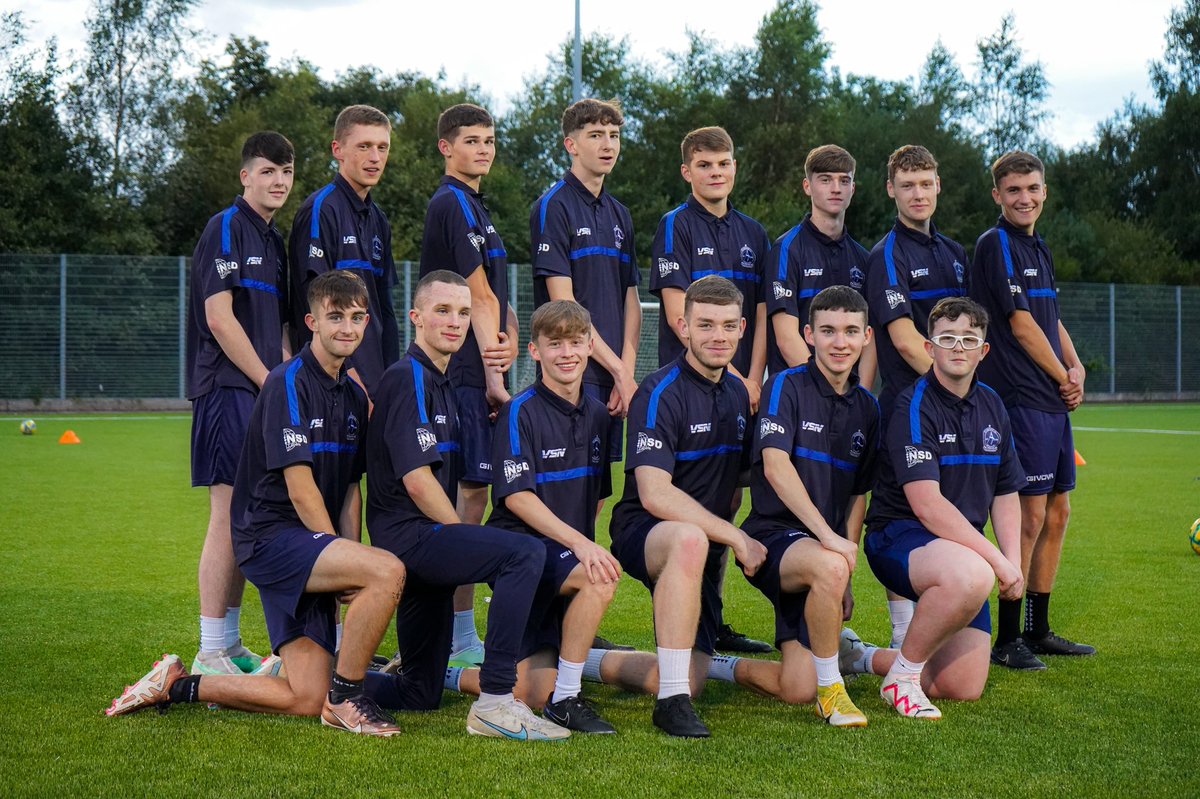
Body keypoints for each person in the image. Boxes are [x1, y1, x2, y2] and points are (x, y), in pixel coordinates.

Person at [108, 271, 408, 737]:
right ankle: (348, 698)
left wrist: (347, 558)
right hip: (270, 538)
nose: (346, 328)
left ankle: (179, 685)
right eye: (334, 317)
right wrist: (339, 562)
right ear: (312, 321)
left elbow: (351, 489)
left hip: (312, 544)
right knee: (388, 570)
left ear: (366, 322)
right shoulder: (286, 382)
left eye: (355, 318)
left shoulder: (353, 395)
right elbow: (299, 487)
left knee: (306, 697)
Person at [361, 270, 568, 741]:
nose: (454, 322)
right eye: (442, 311)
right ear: (416, 318)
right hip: (412, 539)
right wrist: (461, 538)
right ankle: (496, 701)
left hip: (427, 545)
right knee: (525, 552)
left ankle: (303, 675)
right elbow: (416, 482)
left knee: (419, 692)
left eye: (462, 312)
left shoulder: (443, 384)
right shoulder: (409, 377)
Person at [587, 276, 768, 738]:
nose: (717, 336)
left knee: (694, 677)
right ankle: (670, 705)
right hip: (646, 531)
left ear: (743, 328)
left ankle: (585, 658)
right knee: (690, 538)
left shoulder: (739, 395)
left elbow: (743, 476)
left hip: (702, 547)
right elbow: (654, 493)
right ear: (683, 327)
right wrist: (736, 537)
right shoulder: (658, 390)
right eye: (705, 325)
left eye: (728, 326)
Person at [841, 297, 1025, 720]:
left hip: (960, 553)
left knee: (959, 686)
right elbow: (927, 505)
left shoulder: (994, 405)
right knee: (972, 572)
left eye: (968, 339)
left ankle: (861, 658)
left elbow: (1006, 492)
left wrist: (1013, 561)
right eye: (947, 338)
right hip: (900, 539)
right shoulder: (911, 405)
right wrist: (996, 560)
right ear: (929, 348)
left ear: (984, 350)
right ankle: (901, 680)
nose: (958, 347)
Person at [445, 300, 622, 734]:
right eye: (554, 344)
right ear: (536, 351)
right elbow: (518, 499)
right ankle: (565, 699)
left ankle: (572, 670)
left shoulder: (600, 415)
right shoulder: (518, 411)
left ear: (590, 346)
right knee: (600, 576)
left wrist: (579, 545)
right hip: (521, 552)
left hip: (563, 557)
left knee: (529, 691)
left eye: (576, 343)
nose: (567, 353)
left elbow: (595, 498)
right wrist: (580, 546)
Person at [714, 285, 878, 728]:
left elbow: (858, 496)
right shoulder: (784, 386)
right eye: (827, 331)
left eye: (850, 331)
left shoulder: (869, 408)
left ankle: (713, 665)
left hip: (823, 553)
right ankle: (834, 690)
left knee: (794, 688)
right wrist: (829, 543)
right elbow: (774, 465)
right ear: (809, 334)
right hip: (774, 539)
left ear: (866, 337)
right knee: (827, 565)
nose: (839, 342)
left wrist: (847, 564)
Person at [968, 151, 1094, 669]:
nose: (1025, 198)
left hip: (1050, 399)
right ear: (997, 195)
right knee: (1027, 515)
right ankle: (1006, 637)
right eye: (1014, 190)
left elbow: (1050, 316)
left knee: (1058, 511)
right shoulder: (994, 244)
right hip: (1020, 398)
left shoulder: (1037, 245)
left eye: (1033, 189)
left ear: (1044, 193)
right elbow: (1021, 325)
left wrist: (1077, 364)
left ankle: (1038, 630)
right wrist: (1062, 377)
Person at [650, 125, 773, 656]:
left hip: (740, 388)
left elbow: (764, 314)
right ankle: (685, 620)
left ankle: (714, 621)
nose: (715, 172)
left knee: (728, 495)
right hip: (693, 385)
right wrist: (724, 371)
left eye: (723, 163)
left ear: (735, 168)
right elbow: (680, 311)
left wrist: (754, 377)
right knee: (687, 501)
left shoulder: (755, 234)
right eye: (705, 165)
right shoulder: (674, 226)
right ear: (688, 172)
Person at [185, 132, 296, 677]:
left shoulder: (272, 240)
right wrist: (269, 381)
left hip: (258, 392)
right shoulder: (225, 227)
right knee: (228, 515)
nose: (278, 181)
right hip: (227, 390)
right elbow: (219, 318)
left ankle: (229, 644)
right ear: (245, 176)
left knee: (250, 516)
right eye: (268, 171)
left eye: (286, 173)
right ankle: (209, 649)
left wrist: (286, 380)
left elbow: (273, 329)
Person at [419, 103, 520, 666]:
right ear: (446, 147)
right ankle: (453, 634)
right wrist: (494, 373)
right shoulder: (451, 203)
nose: (483, 149)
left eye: (489, 140)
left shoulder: (479, 208)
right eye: (472, 140)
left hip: (478, 369)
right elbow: (476, 297)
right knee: (462, 497)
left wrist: (507, 338)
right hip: (461, 377)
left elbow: (499, 301)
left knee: (475, 495)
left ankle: (459, 630)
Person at [863, 144, 969, 648]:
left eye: (926, 183)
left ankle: (947, 608)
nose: (918, 193)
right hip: (910, 407)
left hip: (956, 405)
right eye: (908, 185)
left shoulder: (954, 253)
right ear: (891, 190)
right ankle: (903, 632)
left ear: (938, 185)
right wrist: (952, 383)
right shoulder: (884, 255)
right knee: (904, 513)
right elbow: (906, 339)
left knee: (953, 505)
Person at [530, 98, 641, 470]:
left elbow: (632, 301)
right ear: (571, 145)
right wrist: (619, 371)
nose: (608, 144)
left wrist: (624, 372)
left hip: (612, 378)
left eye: (614, 135)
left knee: (595, 494)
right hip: (570, 372)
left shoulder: (620, 214)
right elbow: (567, 309)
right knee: (561, 488)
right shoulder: (553, 207)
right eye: (596, 135)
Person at [289, 104, 400, 397]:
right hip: (333, 380)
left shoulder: (379, 219)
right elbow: (315, 304)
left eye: (382, 147)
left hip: (376, 381)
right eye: (364, 146)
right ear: (338, 150)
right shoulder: (321, 209)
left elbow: (385, 312)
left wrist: (391, 378)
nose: (375, 158)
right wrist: (351, 377)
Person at [766, 144, 875, 387]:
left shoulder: (864, 258)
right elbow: (786, 338)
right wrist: (827, 390)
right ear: (807, 186)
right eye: (825, 180)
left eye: (844, 181)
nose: (836, 189)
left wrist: (859, 395)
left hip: (848, 396)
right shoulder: (786, 250)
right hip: (798, 392)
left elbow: (870, 339)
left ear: (853, 189)